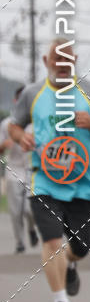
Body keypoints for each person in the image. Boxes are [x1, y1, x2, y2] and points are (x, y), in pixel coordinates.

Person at [9, 39, 90, 302]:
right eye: (56, 61)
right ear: (46, 62)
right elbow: (13, 124)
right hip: (44, 180)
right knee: (52, 239)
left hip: (83, 184)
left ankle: (69, 263)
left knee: (80, 247)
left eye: (67, 60)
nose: (62, 66)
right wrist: (21, 137)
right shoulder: (33, 93)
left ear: (75, 59)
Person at [0, 87, 38, 253]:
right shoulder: (6, 124)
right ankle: (20, 242)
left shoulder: (37, 123)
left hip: (33, 171)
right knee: (16, 212)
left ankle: (31, 228)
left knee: (30, 210)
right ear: (16, 102)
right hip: (13, 171)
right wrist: (4, 145)